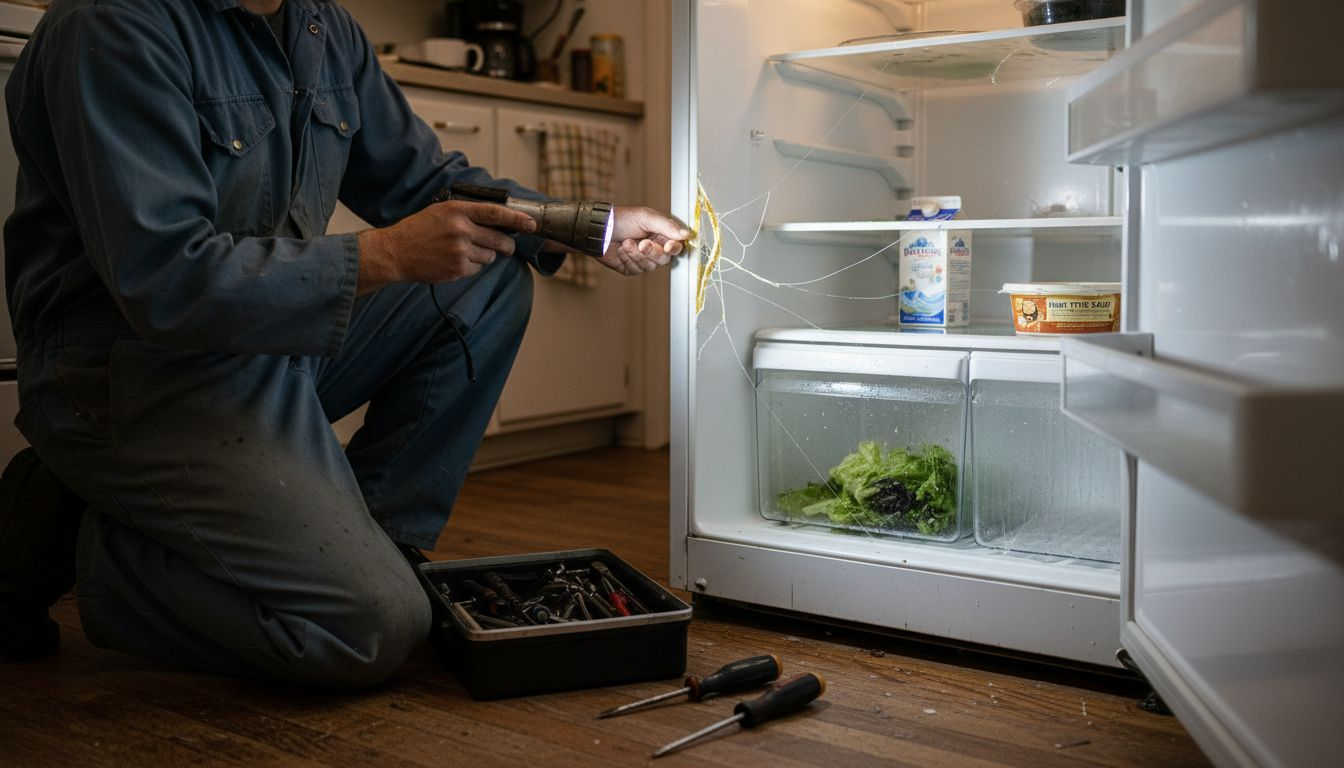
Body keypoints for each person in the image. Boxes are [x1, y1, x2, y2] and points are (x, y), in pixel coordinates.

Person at [0, 0, 688, 687]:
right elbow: (166, 283)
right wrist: (381, 256)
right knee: (363, 632)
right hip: (132, 376)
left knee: (485, 281)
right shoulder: (111, 25)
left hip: (262, 345)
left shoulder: (320, 26)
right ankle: (99, 545)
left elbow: (423, 182)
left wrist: (588, 225)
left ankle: (381, 547)